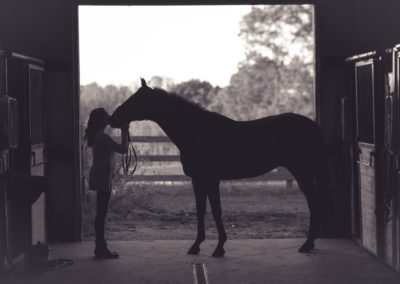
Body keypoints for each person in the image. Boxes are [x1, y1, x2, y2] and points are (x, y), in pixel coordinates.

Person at [85, 107, 129, 259]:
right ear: (102, 120)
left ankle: (100, 247)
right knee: (101, 214)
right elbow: (123, 149)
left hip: (100, 175)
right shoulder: (102, 137)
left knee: (100, 214)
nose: (108, 118)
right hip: (102, 176)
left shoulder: (98, 136)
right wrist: (125, 130)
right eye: (106, 117)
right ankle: (101, 248)